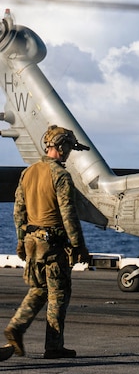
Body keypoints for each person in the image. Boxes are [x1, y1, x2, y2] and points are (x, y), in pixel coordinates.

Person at [3, 125, 92, 360]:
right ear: (61, 147)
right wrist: (79, 245)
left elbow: (18, 211)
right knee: (59, 294)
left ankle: (16, 326)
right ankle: (54, 346)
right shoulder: (61, 176)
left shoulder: (28, 172)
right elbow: (68, 214)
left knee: (39, 288)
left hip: (33, 243)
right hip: (52, 245)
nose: (69, 152)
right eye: (69, 148)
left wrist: (21, 241)